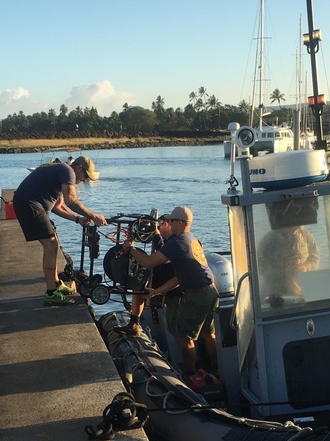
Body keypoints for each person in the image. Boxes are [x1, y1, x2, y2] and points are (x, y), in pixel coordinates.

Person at [122, 205, 217, 376]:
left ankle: (190, 374)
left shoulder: (178, 242)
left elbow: (149, 262)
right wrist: (157, 291)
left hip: (197, 296)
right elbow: (179, 278)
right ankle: (216, 368)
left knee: (183, 338)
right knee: (208, 333)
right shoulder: (191, 239)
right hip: (210, 292)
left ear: (180, 223)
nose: (169, 224)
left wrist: (130, 249)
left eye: (171, 221)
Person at [12, 155, 106, 305]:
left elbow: (57, 207)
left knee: (53, 242)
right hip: (28, 205)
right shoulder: (68, 171)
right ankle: (51, 293)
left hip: (30, 204)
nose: (85, 180)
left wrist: (78, 219)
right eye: (85, 176)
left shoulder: (61, 171)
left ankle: (56, 284)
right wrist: (94, 215)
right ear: (79, 169)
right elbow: (71, 200)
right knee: (51, 245)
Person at [117, 216, 182, 337]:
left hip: (175, 285)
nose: (157, 229)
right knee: (138, 286)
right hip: (164, 277)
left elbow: (159, 255)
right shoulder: (167, 240)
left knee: (178, 332)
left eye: (159, 225)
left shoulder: (175, 240)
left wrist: (156, 236)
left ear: (167, 224)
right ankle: (134, 323)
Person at [257, 224, 320, 298]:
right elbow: (260, 268)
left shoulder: (306, 236)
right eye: (291, 226)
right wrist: (283, 265)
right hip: (274, 292)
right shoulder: (268, 241)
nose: (294, 230)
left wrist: (305, 266)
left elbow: (315, 256)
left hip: (301, 291)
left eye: (297, 226)